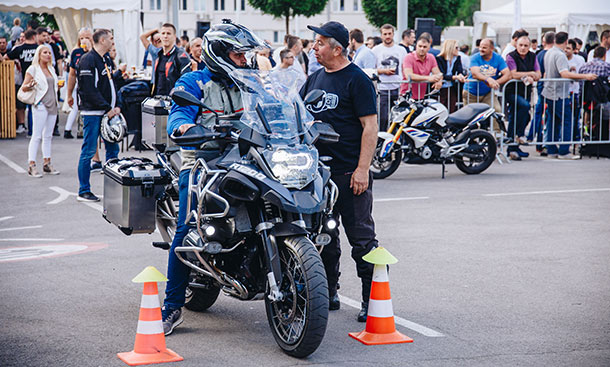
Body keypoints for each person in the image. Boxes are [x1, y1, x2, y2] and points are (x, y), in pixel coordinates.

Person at [161, 19, 264, 335]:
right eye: (238, 55)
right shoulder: (194, 81)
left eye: (246, 55)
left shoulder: (251, 81)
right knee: (187, 226)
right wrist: (186, 128)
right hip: (205, 162)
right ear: (218, 52)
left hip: (249, 159)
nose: (245, 61)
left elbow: (274, 109)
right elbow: (178, 115)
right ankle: (172, 306)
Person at [301, 20, 379, 323]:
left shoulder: (357, 80)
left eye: (320, 43)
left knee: (361, 239)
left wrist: (362, 169)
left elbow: (370, 127)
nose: (314, 48)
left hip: (349, 174)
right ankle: (329, 292)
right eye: (314, 42)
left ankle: (371, 299)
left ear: (337, 48)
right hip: (316, 177)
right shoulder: (314, 78)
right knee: (323, 237)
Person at [76, 29, 121, 202]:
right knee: (88, 151)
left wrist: (117, 105)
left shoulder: (106, 59)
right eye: (111, 38)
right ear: (102, 41)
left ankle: (114, 188)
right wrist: (106, 107)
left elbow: (111, 84)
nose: (112, 41)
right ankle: (83, 190)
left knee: (113, 150)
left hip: (108, 113)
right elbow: (88, 90)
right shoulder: (88, 60)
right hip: (93, 113)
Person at [542, 32, 597, 159]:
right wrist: (585, 76)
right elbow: (564, 74)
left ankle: (552, 149)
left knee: (552, 122)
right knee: (567, 121)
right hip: (559, 94)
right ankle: (564, 151)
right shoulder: (560, 55)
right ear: (566, 42)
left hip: (550, 92)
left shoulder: (549, 52)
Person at [20, 45, 60, 177]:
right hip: (41, 104)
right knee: (37, 135)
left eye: (49, 52)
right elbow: (24, 87)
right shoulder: (33, 69)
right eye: (45, 52)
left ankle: (47, 163)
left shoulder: (51, 69)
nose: (48, 55)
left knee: (48, 136)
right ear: (39, 54)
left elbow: (53, 85)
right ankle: (31, 165)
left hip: (52, 104)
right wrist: (30, 85)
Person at [504, 35, 541, 160]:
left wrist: (532, 76)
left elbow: (539, 74)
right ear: (516, 45)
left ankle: (513, 148)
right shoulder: (511, 56)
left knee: (521, 116)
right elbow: (513, 74)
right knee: (523, 107)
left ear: (529, 46)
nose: (523, 48)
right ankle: (519, 135)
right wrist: (530, 73)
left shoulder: (533, 56)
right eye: (521, 45)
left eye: (526, 45)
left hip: (525, 92)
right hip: (511, 91)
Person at [372, 24, 407, 132]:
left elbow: (404, 68)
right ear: (381, 35)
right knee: (383, 118)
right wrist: (384, 71)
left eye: (389, 34)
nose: (387, 36)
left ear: (393, 34)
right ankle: (382, 140)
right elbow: (372, 69)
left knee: (399, 119)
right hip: (383, 89)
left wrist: (405, 86)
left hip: (398, 88)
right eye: (385, 34)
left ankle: (397, 142)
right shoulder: (376, 50)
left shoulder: (401, 50)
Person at [463, 38, 510, 115]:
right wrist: (488, 79)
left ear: (492, 49)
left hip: (487, 92)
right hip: (471, 93)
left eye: (484, 47)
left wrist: (496, 82)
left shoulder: (498, 58)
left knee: (496, 111)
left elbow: (508, 74)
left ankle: (496, 127)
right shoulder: (475, 57)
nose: (481, 49)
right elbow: (475, 74)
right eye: (480, 47)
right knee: (470, 116)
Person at [7, 29, 38, 135]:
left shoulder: (19, 49)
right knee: (36, 106)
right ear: (34, 37)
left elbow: (6, 57)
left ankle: (31, 131)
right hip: (38, 80)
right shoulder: (39, 48)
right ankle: (35, 130)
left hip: (25, 79)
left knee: (29, 106)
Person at [65, 28, 93, 139]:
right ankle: (69, 130)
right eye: (82, 38)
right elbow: (72, 74)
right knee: (76, 107)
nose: (84, 41)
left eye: (87, 38)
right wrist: (69, 94)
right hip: (80, 86)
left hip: (94, 89)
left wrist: (90, 49)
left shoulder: (96, 52)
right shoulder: (76, 52)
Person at [529, 31, 555, 152]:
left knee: (540, 113)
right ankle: (541, 143)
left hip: (542, 86)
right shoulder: (549, 54)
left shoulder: (539, 54)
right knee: (545, 115)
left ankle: (534, 138)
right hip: (547, 87)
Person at [151, 23, 191, 96]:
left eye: (168, 33)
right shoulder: (159, 55)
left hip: (173, 102)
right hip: (158, 100)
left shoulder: (181, 56)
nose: (165, 36)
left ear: (174, 37)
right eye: (163, 33)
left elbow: (186, 81)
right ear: (160, 36)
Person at [401, 34, 442, 100]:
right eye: (420, 46)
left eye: (424, 47)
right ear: (416, 46)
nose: (422, 49)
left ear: (429, 48)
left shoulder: (431, 57)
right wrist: (428, 78)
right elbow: (409, 75)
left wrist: (439, 80)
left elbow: (438, 73)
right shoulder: (408, 57)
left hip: (422, 96)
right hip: (407, 96)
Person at [435, 39, 466, 113]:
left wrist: (461, 76)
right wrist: (454, 77)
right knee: (441, 109)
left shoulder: (457, 58)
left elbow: (460, 71)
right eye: (456, 47)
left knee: (452, 108)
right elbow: (441, 74)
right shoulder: (439, 59)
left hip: (452, 87)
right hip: (441, 88)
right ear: (450, 47)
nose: (458, 49)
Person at [566, 39, 586, 139]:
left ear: (574, 50)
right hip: (564, 92)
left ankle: (575, 137)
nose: (566, 50)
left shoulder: (580, 60)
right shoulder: (561, 58)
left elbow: (582, 74)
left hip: (575, 91)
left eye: (568, 48)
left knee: (575, 116)